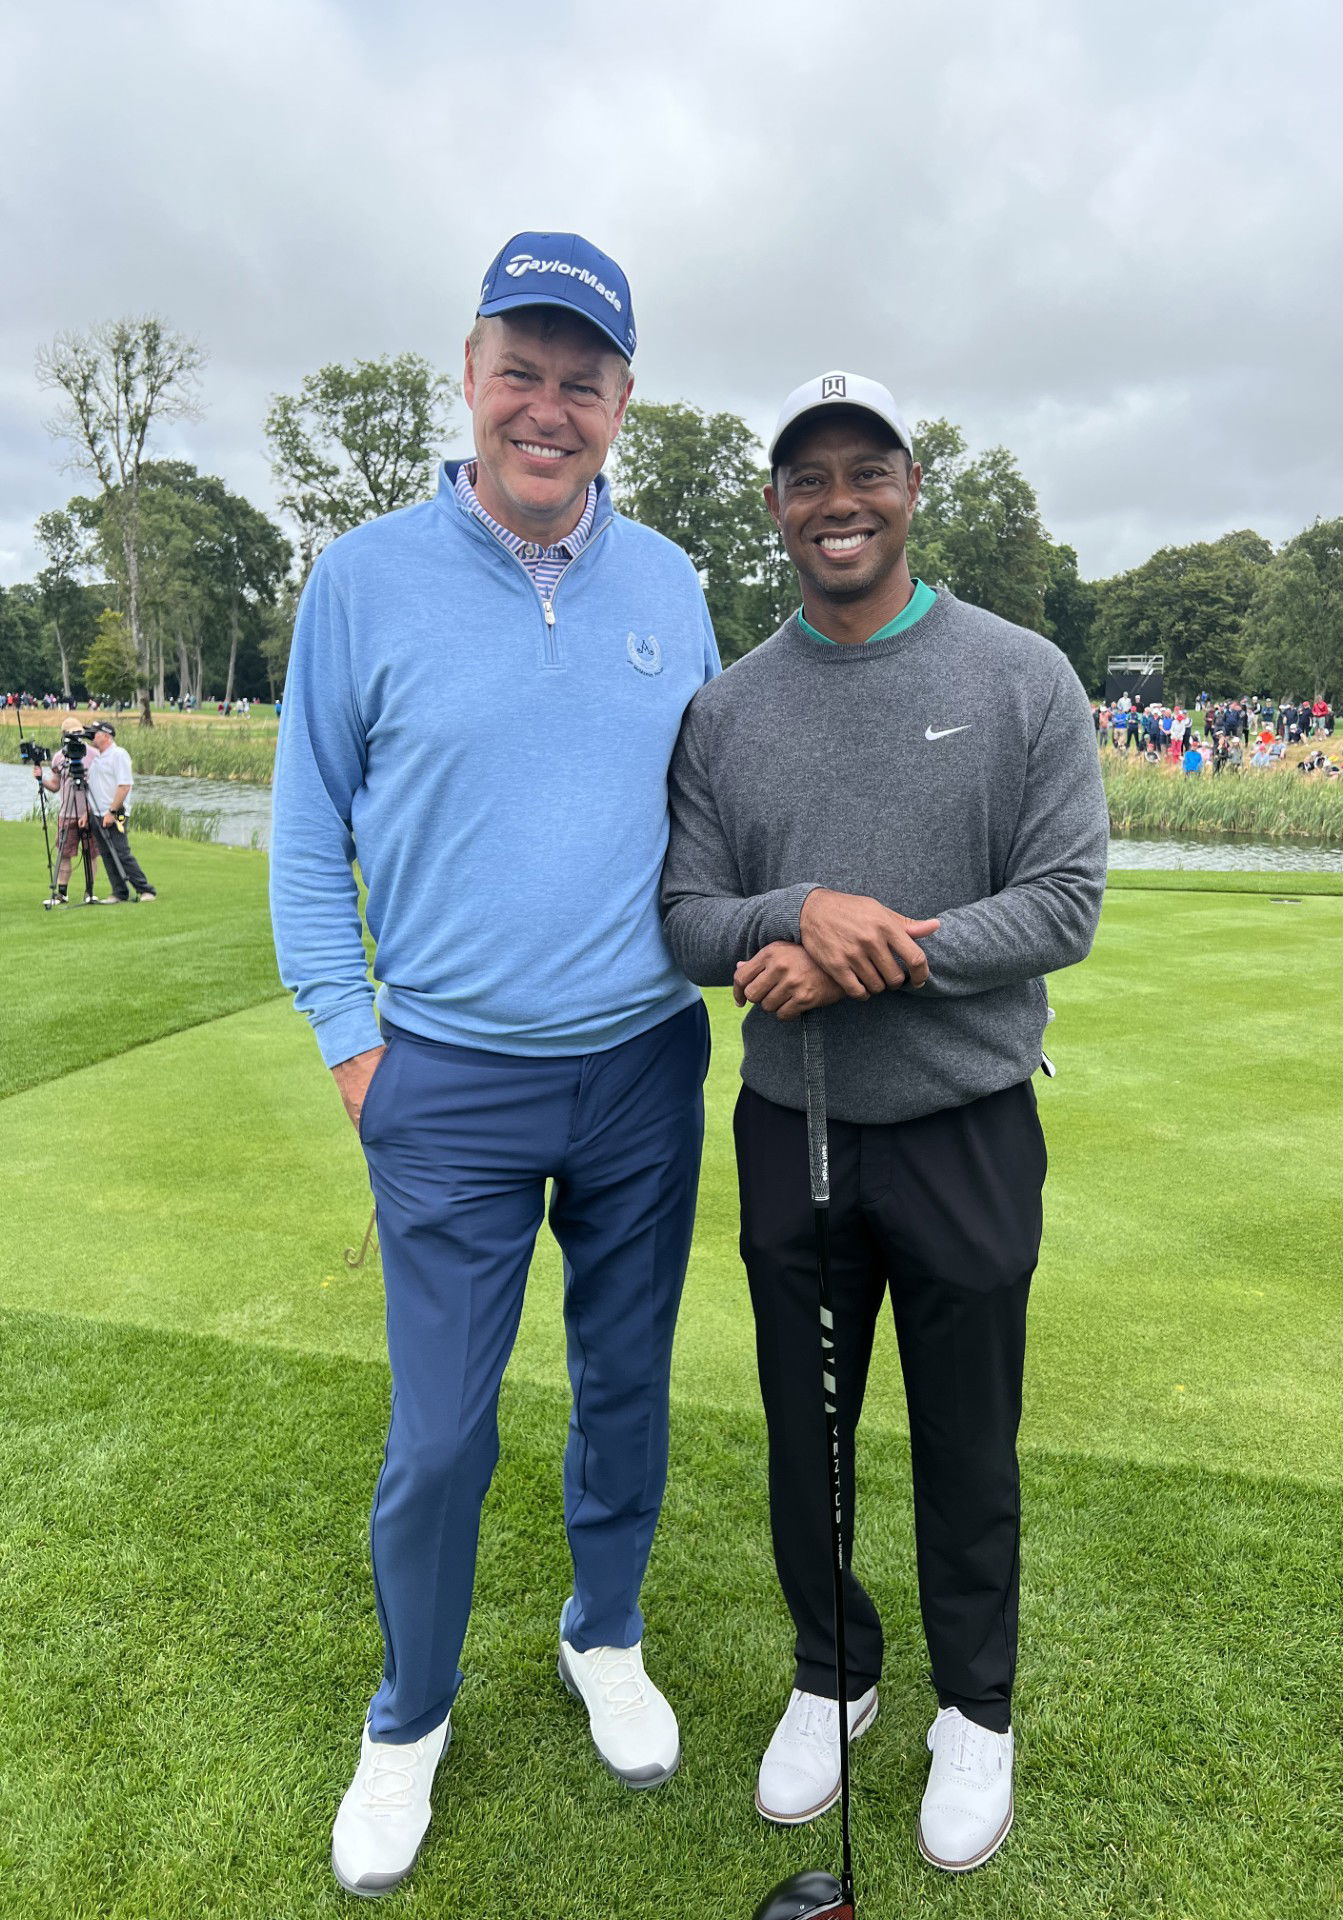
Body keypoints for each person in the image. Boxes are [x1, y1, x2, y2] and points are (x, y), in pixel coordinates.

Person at [270, 231, 721, 1901]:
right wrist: (352, 1047)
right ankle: (409, 1718)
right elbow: (308, 837)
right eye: (520, 370)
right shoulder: (364, 580)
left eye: (582, 379)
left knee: (625, 1385)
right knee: (442, 1437)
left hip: (640, 1069)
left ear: (621, 405)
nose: (549, 406)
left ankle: (604, 1631)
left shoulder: (670, 585)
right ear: (467, 379)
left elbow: (715, 808)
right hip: (444, 1080)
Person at [662, 372, 1107, 1875]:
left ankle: (974, 1709)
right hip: (795, 1124)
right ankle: (833, 1673)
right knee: (811, 1433)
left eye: (867, 471)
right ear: (776, 506)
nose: (837, 501)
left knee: (970, 1442)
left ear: (914, 486)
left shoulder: (1021, 676)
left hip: (968, 1121)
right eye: (807, 479)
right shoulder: (728, 707)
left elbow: (1065, 903)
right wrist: (797, 913)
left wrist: (871, 945)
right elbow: (688, 917)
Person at [85, 721, 158, 902]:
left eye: (96, 732)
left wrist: (111, 811)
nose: (92, 735)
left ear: (107, 736)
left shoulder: (118, 754)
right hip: (97, 813)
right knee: (107, 854)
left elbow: (124, 786)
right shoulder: (98, 758)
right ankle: (119, 892)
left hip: (116, 812)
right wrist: (88, 813)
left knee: (121, 852)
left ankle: (145, 889)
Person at [33, 723, 98, 906]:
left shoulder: (93, 754)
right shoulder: (59, 757)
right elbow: (55, 786)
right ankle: (62, 893)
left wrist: (89, 812)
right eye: (73, 733)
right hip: (66, 813)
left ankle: (89, 891)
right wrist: (41, 779)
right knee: (64, 854)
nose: (77, 736)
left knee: (90, 853)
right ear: (64, 734)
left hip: (88, 811)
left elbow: (100, 787)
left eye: (79, 732)